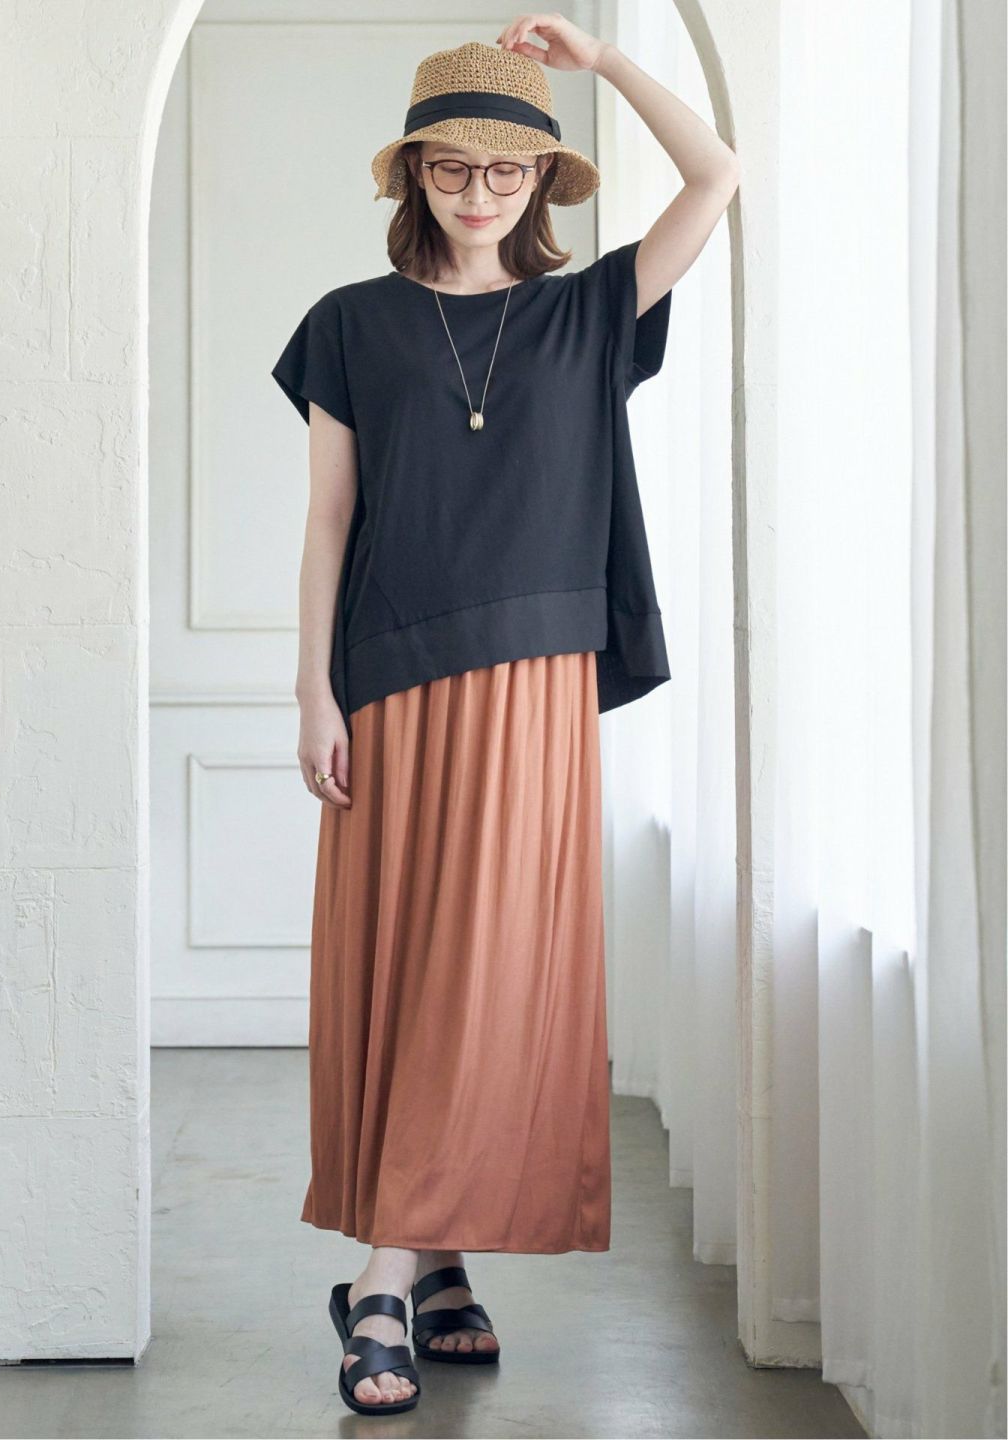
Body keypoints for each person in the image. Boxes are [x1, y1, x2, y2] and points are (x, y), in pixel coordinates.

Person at [271, 16, 738, 1418]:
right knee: (413, 965)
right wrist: (311, 687)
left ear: (542, 183)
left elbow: (717, 174)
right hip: (392, 677)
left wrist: (609, 65)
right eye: (453, 168)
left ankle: (406, 1268)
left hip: (535, 681)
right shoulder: (350, 324)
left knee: (494, 971)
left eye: (508, 170)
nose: (479, 192)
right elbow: (330, 518)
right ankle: (407, 1268)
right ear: (414, 176)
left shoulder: (589, 313)